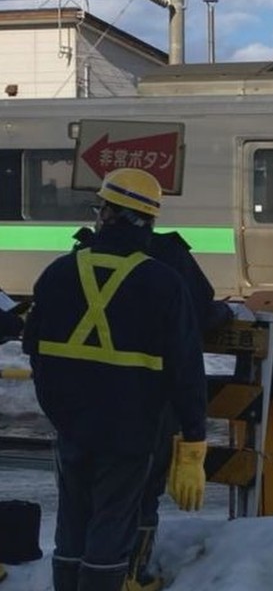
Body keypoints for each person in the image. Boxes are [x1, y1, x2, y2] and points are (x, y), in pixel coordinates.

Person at [23, 168, 209, 591]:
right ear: (149, 223)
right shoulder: (163, 282)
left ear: (106, 214)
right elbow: (186, 369)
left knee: (72, 521)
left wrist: (60, 411)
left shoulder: (57, 273)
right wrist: (193, 439)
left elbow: (35, 350)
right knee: (112, 522)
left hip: (73, 425)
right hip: (132, 428)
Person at [70, 188, 232, 591]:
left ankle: (78, 578)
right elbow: (198, 319)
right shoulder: (169, 258)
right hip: (146, 405)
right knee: (138, 497)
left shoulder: (77, 259)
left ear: (109, 213)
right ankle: (130, 575)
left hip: (82, 405)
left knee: (82, 502)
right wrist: (194, 435)